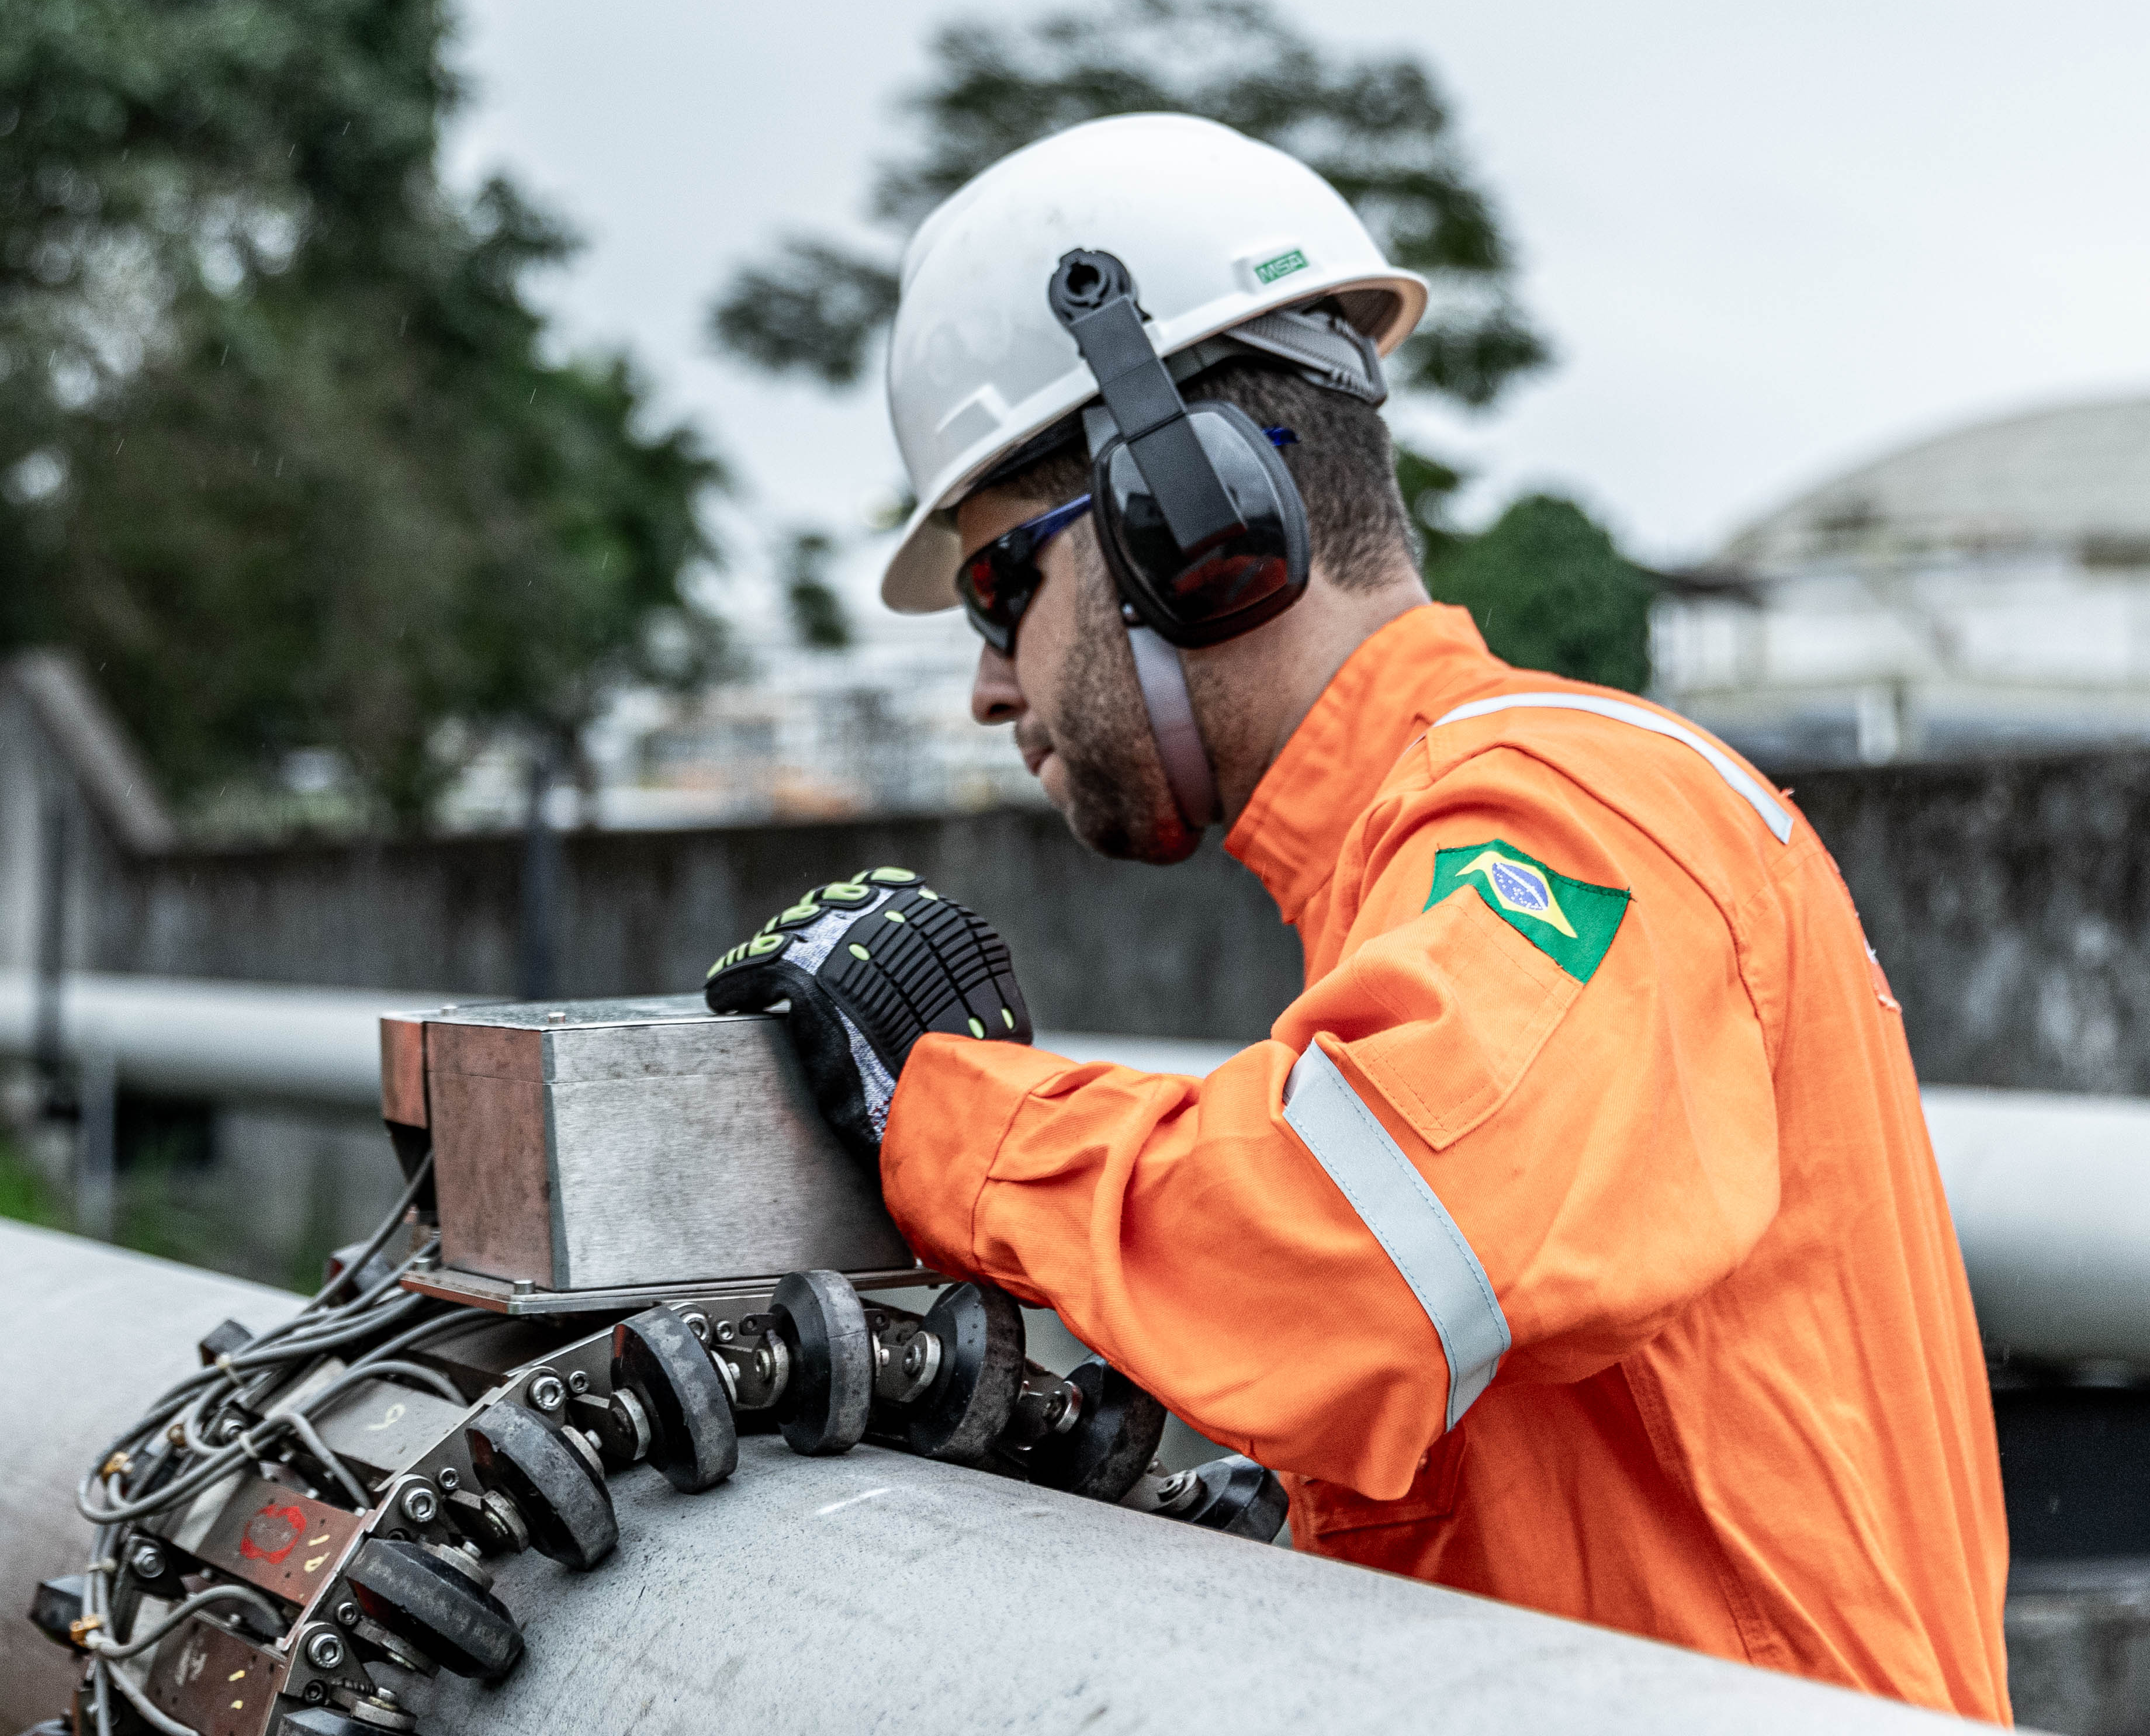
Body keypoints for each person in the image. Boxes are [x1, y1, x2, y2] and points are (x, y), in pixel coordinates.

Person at [708, 112, 2006, 1718]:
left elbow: (1366, 1260)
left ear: (1185, 521)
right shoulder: (1430, 858)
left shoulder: (1574, 818)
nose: (988, 689)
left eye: (999, 594)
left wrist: (946, 1118)